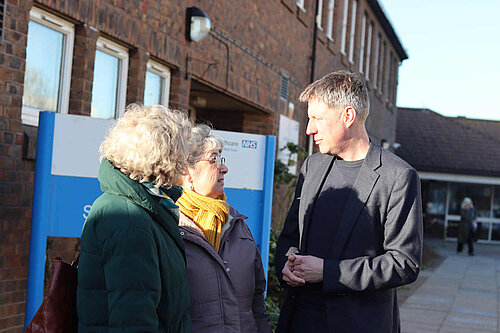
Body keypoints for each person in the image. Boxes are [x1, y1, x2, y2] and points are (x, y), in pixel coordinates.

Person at [275, 71, 423, 332]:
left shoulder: (398, 176)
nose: (310, 129)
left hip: (358, 324)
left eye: (317, 119)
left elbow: (404, 263)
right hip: (300, 321)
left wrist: (328, 272)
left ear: (348, 116)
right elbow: (289, 237)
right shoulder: (313, 166)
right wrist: (286, 265)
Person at [77, 104, 192, 332]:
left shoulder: (141, 208)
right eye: (181, 152)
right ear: (163, 156)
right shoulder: (129, 219)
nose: (186, 162)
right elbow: (133, 318)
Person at [176, 124, 271, 333]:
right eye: (213, 160)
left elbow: (257, 303)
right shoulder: (169, 227)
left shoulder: (237, 224)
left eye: (222, 159)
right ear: (187, 170)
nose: (224, 168)